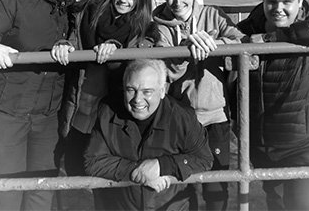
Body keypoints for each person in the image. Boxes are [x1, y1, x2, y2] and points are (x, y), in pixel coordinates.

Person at [0, 0, 79, 210]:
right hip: (9, 115)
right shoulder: (16, 0)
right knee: (6, 191)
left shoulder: (76, 12)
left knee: (43, 189)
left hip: (48, 119)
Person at [153, 0, 243, 210]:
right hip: (176, 120)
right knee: (180, 190)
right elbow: (164, 71)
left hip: (215, 119)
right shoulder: (158, 26)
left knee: (216, 190)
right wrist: (184, 51)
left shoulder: (214, 16)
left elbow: (244, 47)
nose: (178, 3)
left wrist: (213, 45)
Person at [237, 0, 309, 210]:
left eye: (287, 1)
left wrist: (270, 39)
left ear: (300, 0)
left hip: (307, 147)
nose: (278, 8)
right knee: (276, 206)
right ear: (263, 0)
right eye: (272, 1)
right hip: (264, 147)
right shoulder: (247, 31)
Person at [58, 0, 159, 177]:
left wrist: (115, 49)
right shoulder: (87, 11)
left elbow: (140, 63)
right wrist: (64, 45)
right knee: (73, 167)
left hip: (114, 113)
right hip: (80, 107)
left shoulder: (145, 29)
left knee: (105, 171)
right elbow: (71, 37)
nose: (124, 0)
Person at [84, 59, 213, 211]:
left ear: (163, 90)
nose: (138, 99)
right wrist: (137, 171)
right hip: (123, 206)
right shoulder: (108, 111)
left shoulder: (181, 117)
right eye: (131, 90)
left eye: (147, 92)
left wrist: (162, 166)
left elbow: (204, 159)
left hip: (172, 206)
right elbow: (93, 161)